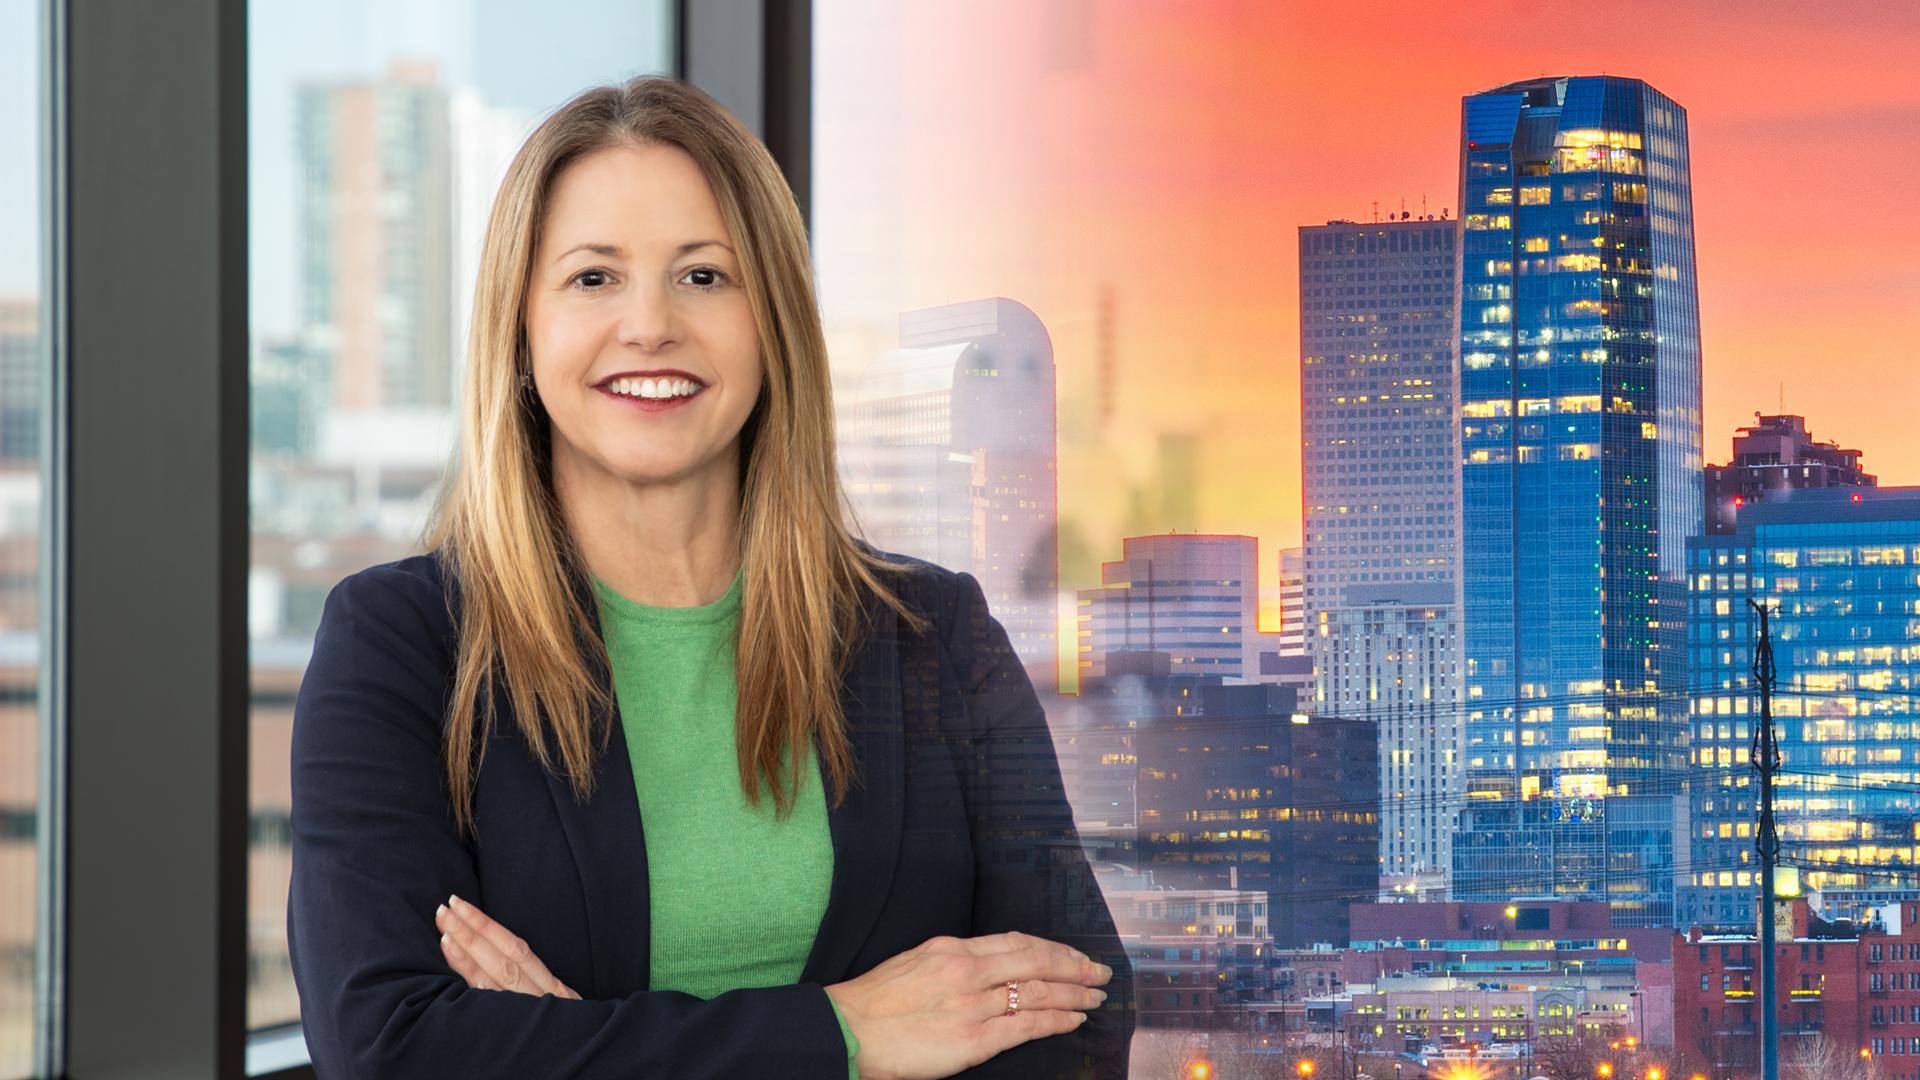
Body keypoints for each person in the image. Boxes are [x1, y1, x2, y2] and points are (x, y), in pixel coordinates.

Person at [285, 74, 1134, 1079]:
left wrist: (571, 1044)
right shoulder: (400, 645)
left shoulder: (935, 634)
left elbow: (1077, 1022)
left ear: (770, 321)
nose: (651, 326)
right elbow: (392, 1050)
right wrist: (851, 1035)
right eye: (594, 278)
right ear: (521, 330)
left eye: (704, 276)